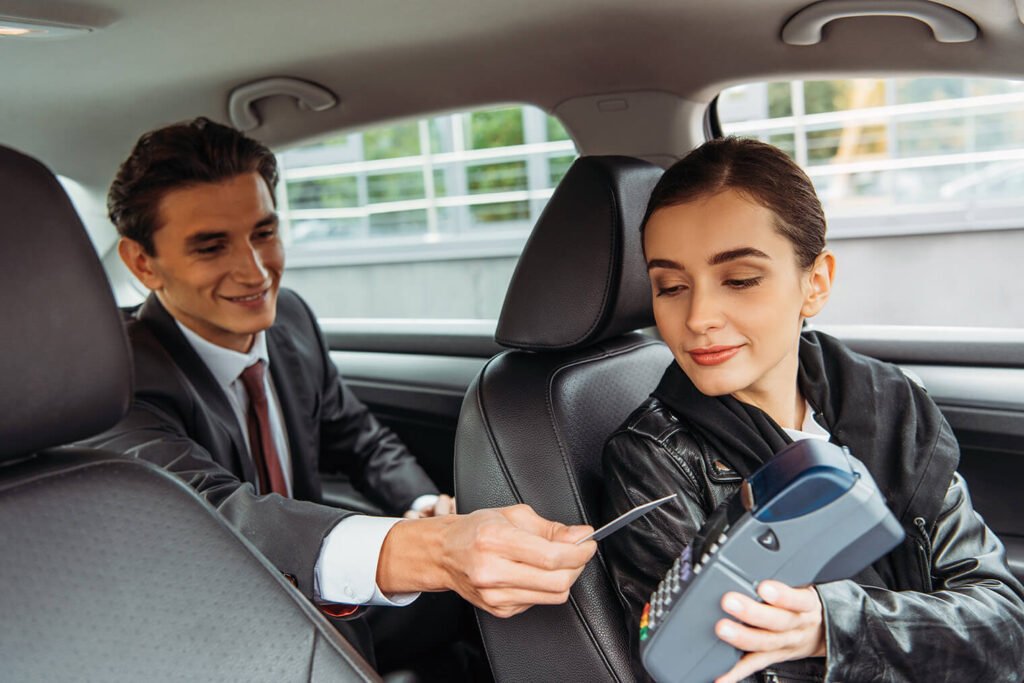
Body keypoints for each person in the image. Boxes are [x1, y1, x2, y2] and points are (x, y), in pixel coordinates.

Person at [84, 117, 596, 671]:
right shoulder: (113, 377)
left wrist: (425, 507)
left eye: (263, 233)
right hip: (206, 616)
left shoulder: (290, 319)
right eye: (211, 247)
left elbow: (357, 438)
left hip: (311, 586)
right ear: (142, 263)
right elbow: (210, 513)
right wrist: (436, 549)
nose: (255, 271)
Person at [601, 137, 1024, 682]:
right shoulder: (655, 458)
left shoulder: (892, 406)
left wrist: (834, 624)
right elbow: (700, 665)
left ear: (815, 283)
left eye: (740, 280)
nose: (699, 315)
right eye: (671, 286)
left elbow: (1003, 624)